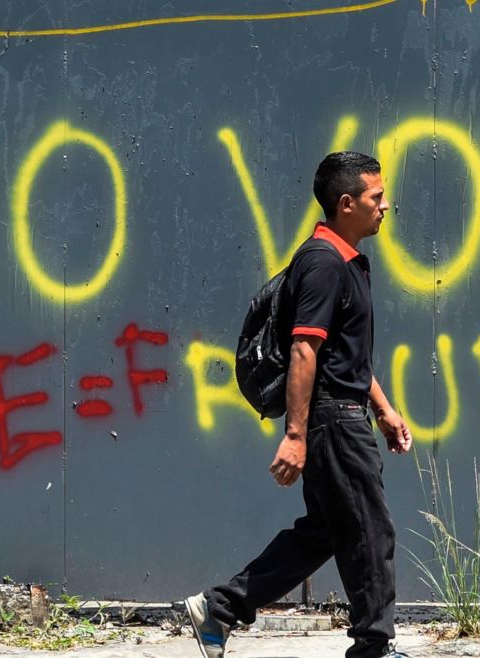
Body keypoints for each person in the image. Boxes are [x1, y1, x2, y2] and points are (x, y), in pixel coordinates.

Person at [185, 151, 414, 658]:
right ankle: (374, 648)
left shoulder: (346, 262)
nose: (386, 206)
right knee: (371, 532)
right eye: (377, 197)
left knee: (324, 533)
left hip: (344, 412)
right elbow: (304, 349)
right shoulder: (324, 264)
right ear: (347, 203)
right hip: (333, 421)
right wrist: (295, 435)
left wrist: (383, 407)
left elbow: (341, 354)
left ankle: (219, 609)